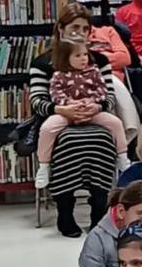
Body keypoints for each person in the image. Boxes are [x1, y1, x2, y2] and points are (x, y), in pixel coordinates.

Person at [29, 3, 120, 237]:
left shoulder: (99, 61)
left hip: (95, 116)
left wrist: (95, 107)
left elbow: (109, 96)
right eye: (73, 27)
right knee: (69, 141)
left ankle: (99, 209)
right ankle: (65, 212)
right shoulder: (42, 63)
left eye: (84, 28)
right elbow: (37, 101)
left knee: (100, 139)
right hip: (57, 118)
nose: (79, 33)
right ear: (61, 29)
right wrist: (62, 110)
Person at [35, 37, 129, 189]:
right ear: (66, 58)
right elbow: (55, 93)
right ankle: (44, 165)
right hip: (67, 113)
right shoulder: (59, 75)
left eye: (85, 54)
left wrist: (93, 103)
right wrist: (68, 105)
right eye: (78, 56)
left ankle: (123, 158)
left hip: (91, 111)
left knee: (115, 123)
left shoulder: (94, 72)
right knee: (47, 128)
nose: (83, 58)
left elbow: (102, 90)